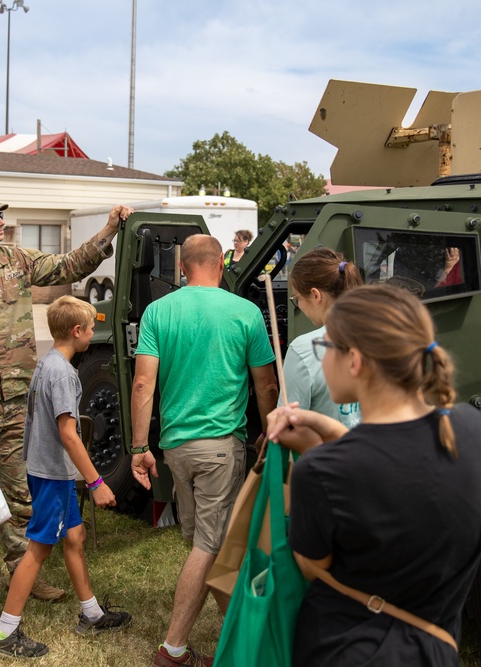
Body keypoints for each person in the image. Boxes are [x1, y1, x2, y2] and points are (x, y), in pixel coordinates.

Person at [0, 191, 133, 607]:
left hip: (18, 400)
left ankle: (22, 566)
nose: (2, 221)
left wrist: (108, 229)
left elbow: (70, 265)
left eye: (1, 215)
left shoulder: (16, 260)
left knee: (20, 489)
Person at [265, 284, 481, 666]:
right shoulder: (470, 429)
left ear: (354, 360)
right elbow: (395, 466)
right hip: (435, 648)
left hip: (348, 649)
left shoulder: (323, 471)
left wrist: (315, 449)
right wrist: (332, 434)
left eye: (326, 348)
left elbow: (311, 566)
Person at [130, 234, 279, 667]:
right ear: (221, 264)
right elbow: (266, 384)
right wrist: (269, 431)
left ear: (182, 268)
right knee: (210, 546)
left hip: (175, 447)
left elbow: (143, 383)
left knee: (203, 542)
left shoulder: (159, 311)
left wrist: (140, 446)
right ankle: (173, 650)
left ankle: (235, 633)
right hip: (220, 448)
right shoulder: (245, 311)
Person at [0, 295, 132, 658]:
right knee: (38, 549)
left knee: (75, 537)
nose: (93, 333)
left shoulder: (47, 363)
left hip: (49, 471)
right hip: (53, 474)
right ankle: (4, 635)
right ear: (78, 331)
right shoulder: (63, 373)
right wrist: (96, 482)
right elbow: (68, 433)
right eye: (91, 328)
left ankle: (91, 614)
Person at [285, 247, 363, 428]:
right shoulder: (384, 334)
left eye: (297, 298)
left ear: (315, 295)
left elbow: (289, 424)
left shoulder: (304, 348)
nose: (300, 306)